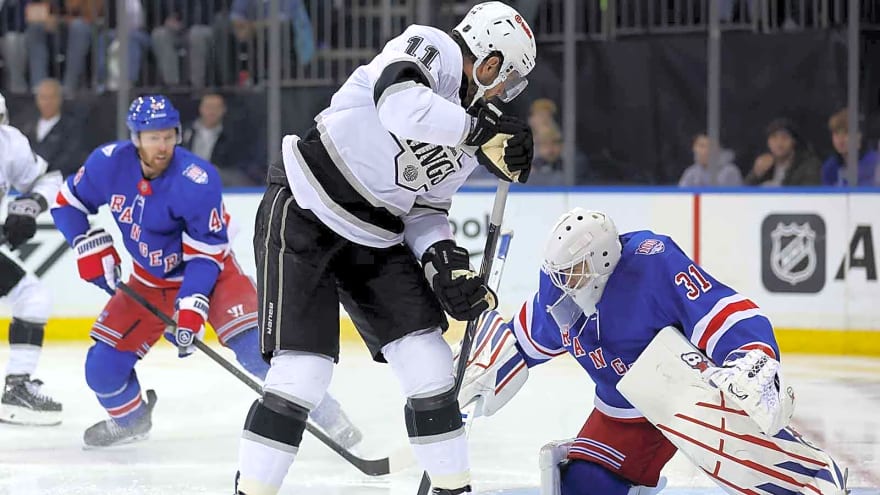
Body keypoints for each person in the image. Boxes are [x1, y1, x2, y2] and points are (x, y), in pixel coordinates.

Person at [233, 2, 536, 494]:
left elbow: (425, 209)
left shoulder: (468, 134)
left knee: (430, 364)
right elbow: (398, 104)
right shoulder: (432, 47)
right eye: (510, 78)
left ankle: (453, 488)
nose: (506, 92)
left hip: (375, 236)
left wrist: (443, 265)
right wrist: (480, 133)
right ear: (490, 63)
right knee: (302, 373)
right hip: (306, 207)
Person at [457, 207, 844, 495]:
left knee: (771, 475)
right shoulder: (559, 289)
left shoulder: (652, 265)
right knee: (582, 486)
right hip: (623, 411)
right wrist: (485, 362)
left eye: (573, 272)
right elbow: (523, 339)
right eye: (559, 273)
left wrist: (750, 357)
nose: (563, 283)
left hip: (686, 395)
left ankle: (809, 476)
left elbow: (721, 311)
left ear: (602, 260)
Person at [49, 95, 362, 449]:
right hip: (150, 281)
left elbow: (205, 254)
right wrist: (85, 242)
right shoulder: (107, 164)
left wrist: (192, 305)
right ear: (135, 138)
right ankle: (131, 420)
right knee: (102, 370)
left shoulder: (196, 179)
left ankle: (329, 416)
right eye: (153, 138)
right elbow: (67, 204)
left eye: (168, 136)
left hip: (214, 274)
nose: (162, 146)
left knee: (256, 352)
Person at [0, 91, 64, 426]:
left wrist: (30, 205)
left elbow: (49, 178)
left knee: (33, 297)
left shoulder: (10, 143)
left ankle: (17, 388)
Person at [21, 78, 87, 178]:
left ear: (60, 99)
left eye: (52, 97)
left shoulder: (71, 127)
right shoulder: (26, 125)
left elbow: (70, 157)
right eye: (43, 97)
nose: (47, 102)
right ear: (37, 100)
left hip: (56, 179)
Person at [745, 118, 821, 186]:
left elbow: (809, 193)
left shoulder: (809, 165)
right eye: (774, 137)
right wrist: (756, 174)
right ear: (768, 142)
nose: (779, 143)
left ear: (793, 141)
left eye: (785, 138)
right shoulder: (765, 163)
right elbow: (743, 193)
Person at [820, 108, 879, 186]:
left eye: (846, 133)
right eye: (836, 133)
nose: (840, 139)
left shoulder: (876, 163)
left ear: (859, 135)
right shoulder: (829, 167)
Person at [677, 132, 742, 187]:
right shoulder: (691, 173)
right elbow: (681, 195)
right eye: (700, 146)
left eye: (706, 146)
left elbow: (736, 196)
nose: (702, 151)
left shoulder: (730, 172)